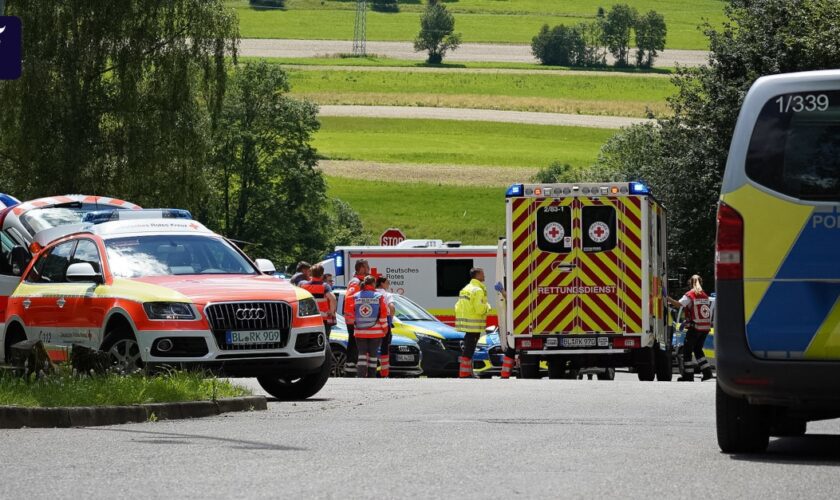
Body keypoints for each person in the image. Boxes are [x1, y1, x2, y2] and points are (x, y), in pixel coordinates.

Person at [667, 275, 714, 382]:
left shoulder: (690, 295)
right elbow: (699, 312)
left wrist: (667, 298)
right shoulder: (704, 295)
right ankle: (707, 373)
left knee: (687, 352)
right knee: (698, 350)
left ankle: (688, 376)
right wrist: (686, 321)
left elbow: (679, 304)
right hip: (705, 329)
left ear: (690, 283)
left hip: (695, 328)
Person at [345, 275, 388, 378]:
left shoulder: (356, 296)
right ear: (373, 284)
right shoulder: (378, 296)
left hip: (359, 332)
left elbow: (350, 312)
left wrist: (355, 325)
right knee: (373, 356)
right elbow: (383, 314)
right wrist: (385, 329)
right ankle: (371, 377)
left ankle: (361, 376)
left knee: (362, 355)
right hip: (376, 332)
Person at [454, 268, 492, 378]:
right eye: (482, 274)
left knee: (468, 349)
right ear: (477, 275)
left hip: (466, 324)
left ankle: (466, 372)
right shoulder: (478, 290)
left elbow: (457, 306)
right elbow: (479, 309)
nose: (484, 276)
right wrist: (488, 307)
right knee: (469, 350)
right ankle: (465, 373)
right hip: (474, 325)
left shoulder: (466, 289)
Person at [343, 259, 370, 375]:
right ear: (361, 267)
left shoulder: (360, 281)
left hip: (357, 318)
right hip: (354, 319)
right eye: (367, 266)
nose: (369, 268)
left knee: (356, 343)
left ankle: (354, 366)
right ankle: (350, 367)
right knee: (354, 343)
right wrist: (355, 315)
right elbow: (349, 299)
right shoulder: (355, 282)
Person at [299, 264, 337, 339]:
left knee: (309, 341)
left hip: (308, 319)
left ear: (311, 273)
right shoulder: (325, 286)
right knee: (324, 340)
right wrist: (332, 312)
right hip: (322, 319)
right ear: (322, 274)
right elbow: (333, 299)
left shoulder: (303, 285)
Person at [375, 276, 396, 378]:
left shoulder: (372, 293)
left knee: (371, 347)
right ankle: (384, 373)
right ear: (382, 284)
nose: (388, 285)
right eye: (387, 283)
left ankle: (369, 371)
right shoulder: (387, 295)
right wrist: (390, 319)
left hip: (373, 321)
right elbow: (392, 307)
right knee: (384, 348)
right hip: (385, 321)